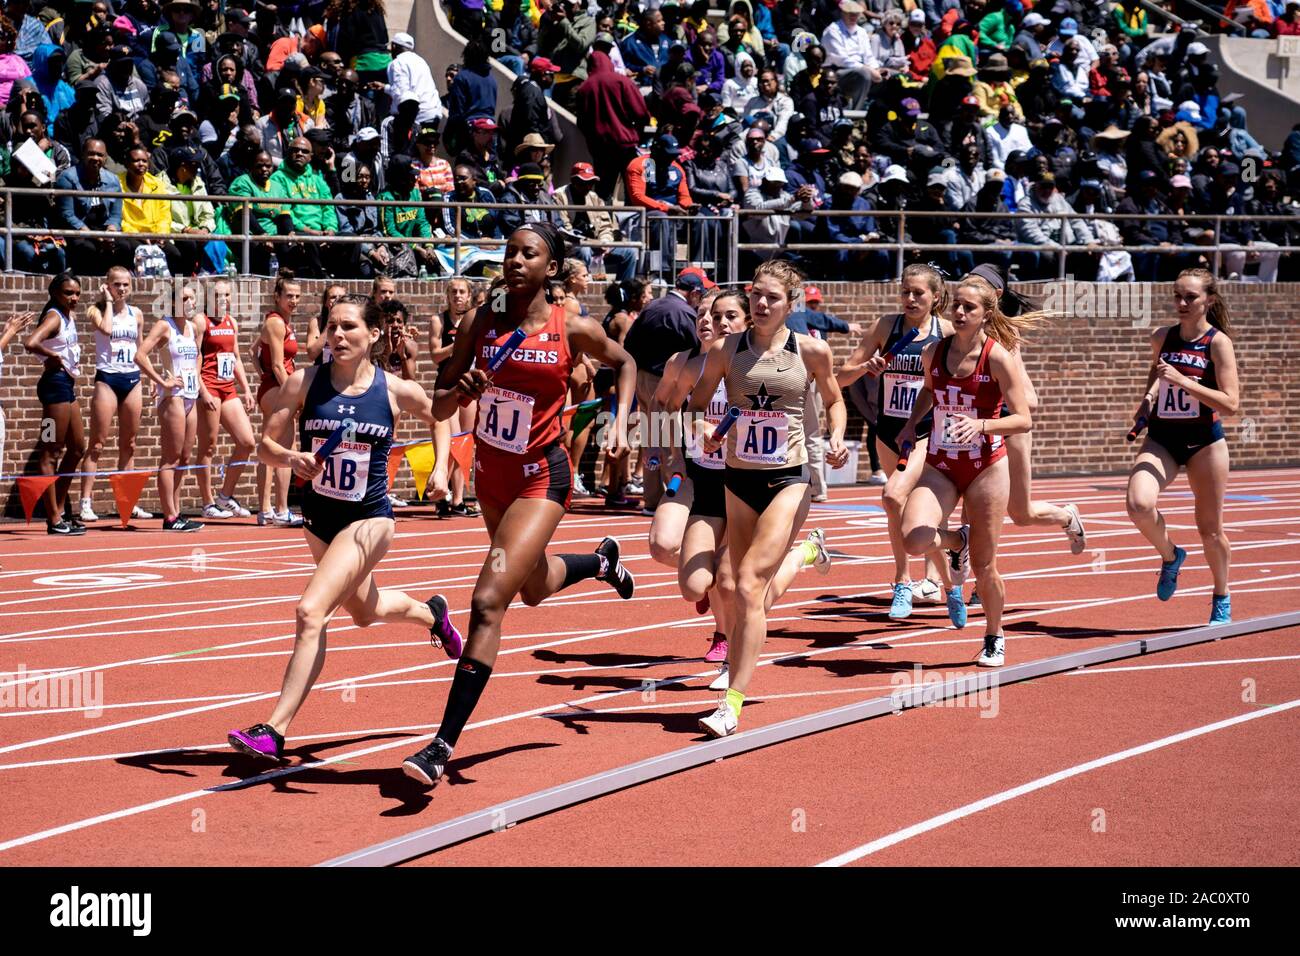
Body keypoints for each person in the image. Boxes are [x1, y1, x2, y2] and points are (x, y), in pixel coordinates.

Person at [401, 223, 638, 787]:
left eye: (528, 254)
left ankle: (440, 746)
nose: (513, 261)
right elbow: (438, 407)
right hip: (491, 476)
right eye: (509, 252)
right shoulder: (482, 321)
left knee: (488, 601)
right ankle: (601, 562)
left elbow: (624, 362)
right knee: (530, 587)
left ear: (550, 268)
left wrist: (621, 422)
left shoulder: (571, 328)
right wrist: (464, 392)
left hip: (541, 476)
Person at [227, 295, 465, 762]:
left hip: (370, 519)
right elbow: (264, 445)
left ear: (373, 335)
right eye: (331, 327)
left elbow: (442, 416)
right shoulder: (304, 382)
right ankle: (432, 615)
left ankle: (273, 730)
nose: (337, 336)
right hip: (319, 518)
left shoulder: (394, 389)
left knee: (310, 611)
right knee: (365, 610)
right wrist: (290, 458)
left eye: (349, 327)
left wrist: (440, 467)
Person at [687, 260, 848, 737]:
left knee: (750, 583)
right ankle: (805, 553)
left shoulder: (812, 350)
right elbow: (695, 406)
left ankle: (732, 703)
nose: (760, 304)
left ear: (790, 305)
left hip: (789, 478)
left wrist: (837, 436)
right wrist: (703, 433)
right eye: (755, 294)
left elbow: (835, 400)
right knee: (738, 589)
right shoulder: (725, 350)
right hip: (739, 479)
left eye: (771, 298)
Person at [897, 276, 1047, 669]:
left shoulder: (997, 357)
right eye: (957, 306)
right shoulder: (934, 352)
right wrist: (913, 424)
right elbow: (929, 391)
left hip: (985, 467)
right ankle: (955, 541)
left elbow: (1024, 419)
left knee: (984, 566)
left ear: (986, 314)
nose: (960, 313)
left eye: (970, 308)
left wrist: (981, 426)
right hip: (941, 463)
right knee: (914, 538)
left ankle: (995, 635)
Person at [837, 264, 958, 622]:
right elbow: (842, 376)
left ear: (935, 297)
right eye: (905, 291)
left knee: (894, 494)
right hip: (888, 430)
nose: (910, 298)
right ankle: (933, 580)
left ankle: (912, 581)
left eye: (918, 293)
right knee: (899, 508)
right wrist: (866, 368)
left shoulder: (946, 333)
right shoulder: (885, 327)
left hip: (925, 432)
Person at [1126, 269, 1239, 625]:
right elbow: (1156, 376)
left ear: (1209, 300)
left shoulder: (1217, 343)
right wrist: (1147, 401)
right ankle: (1171, 555)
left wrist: (1185, 383)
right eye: (1178, 296)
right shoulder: (1162, 336)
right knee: (1138, 504)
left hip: (1205, 442)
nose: (1182, 303)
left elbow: (1231, 403)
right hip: (1162, 437)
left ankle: (1221, 594)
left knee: (1210, 529)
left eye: (1190, 297)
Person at [655, 291, 748, 683]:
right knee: (664, 546)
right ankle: (707, 581)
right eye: (702, 315)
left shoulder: (753, 367)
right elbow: (663, 406)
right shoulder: (683, 363)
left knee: (730, 579)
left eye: (721, 315)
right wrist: (667, 454)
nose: (709, 321)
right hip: (697, 473)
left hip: (742, 480)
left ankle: (725, 636)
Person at [77, 266, 148, 523]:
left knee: (129, 444)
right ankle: (85, 501)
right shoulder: (96, 310)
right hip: (107, 378)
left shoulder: (136, 314)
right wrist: (107, 302)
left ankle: (127, 502)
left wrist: (149, 375)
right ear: (107, 285)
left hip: (131, 379)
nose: (121, 289)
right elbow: (106, 330)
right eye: (116, 284)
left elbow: (140, 347)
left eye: (126, 285)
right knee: (97, 444)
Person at [135, 283, 204, 532]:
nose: (190, 303)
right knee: (171, 458)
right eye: (184, 298)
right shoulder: (165, 325)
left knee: (185, 457)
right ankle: (169, 516)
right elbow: (140, 355)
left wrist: (195, 376)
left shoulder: (193, 326)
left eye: (192, 298)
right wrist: (161, 380)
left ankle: (176, 510)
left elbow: (198, 355)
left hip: (190, 394)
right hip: (172, 396)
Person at [23, 272, 86, 534]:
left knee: (77, 448)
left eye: (77, 294)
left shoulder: (68, 316)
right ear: (55, 294)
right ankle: (53, 518)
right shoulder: (53, 316)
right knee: (51, 451)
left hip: (66, 386)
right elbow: (30, 342)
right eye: (68, 293)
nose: (74, 298)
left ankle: (58, 508)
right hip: (53, 387)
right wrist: (53, 355)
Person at [194, 278, 257, 519]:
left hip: (228, 388)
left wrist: (247, 389)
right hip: (209, 386)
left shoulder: (232, 321)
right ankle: (208, 502)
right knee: (208, 446)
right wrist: (203, 391)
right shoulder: (202, 321)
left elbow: (236, 357)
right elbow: (194, 358)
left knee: (247, 442)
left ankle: (225, 495)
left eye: (227, 295)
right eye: (218, 295)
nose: (223, 300)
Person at [254, 272, 305, 527]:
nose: (293, 301)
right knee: (278, 449)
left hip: (278, 386)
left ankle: (278, 508)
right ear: (277, 297)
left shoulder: (283, 323)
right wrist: (292, 395)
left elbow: (254, 350)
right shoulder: (275, 323)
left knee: (283, 449)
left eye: (297, 296)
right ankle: (270, 508)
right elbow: (276, 365)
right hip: (277, 387)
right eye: (289, 296)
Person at [427, 277, 478, 517]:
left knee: (465, 444)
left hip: (469, 386)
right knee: (453, 440)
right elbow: (435, 356)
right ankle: (441, 493)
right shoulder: (438, 320)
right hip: (448, 387)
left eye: (462, 292)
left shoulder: (475, 319)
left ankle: (458, 500)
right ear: (447, 295)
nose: (458, 296)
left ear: (469, 296)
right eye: (454, 292)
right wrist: (458, 343)